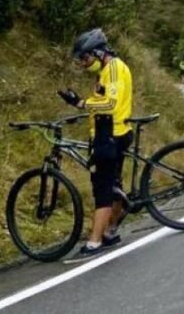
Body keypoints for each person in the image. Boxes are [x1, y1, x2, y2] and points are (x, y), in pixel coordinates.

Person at [57, 29, 133, 260]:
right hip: (114, 132)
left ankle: (94, 242)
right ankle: (110, 231)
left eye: (85, 58)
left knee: (102, 189)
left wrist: (80, 103)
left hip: (109, 135)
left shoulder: (113, 69)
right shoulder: (110, 68)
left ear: (99, 52)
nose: (83, 63)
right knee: (113, 185)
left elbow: (109, 104)